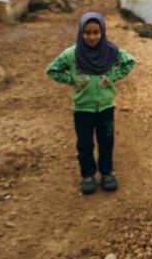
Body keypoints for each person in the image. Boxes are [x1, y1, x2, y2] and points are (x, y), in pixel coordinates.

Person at [46, 12, 135, 195]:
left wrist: (112, 78)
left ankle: (106, 174)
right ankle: (87, 175)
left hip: (106, 107)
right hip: (82, 109)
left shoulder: (110, 51)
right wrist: (72, 80)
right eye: (87, 32)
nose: (92, 37)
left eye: (96, 32)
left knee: (106, 141)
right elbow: (52, 70)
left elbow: (129, 62)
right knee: (85, 144)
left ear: (102, 32)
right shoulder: (72, 54)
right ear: (80, 32)